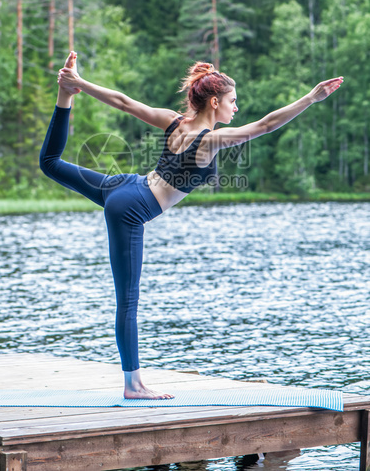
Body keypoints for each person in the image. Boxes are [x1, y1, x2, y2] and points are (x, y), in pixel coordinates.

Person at [40, 51, 343, 399]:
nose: (236, 108)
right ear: (215, 102)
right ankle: (133, 385)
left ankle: (64, 95)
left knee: (50, 163)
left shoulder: (174, 122)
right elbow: (266, 125)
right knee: (128, 301)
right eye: (233, 101)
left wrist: (77, 84)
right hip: (131, 207)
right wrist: (311, 97)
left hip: (124, 185)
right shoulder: (210, 141)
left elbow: (123, 102)